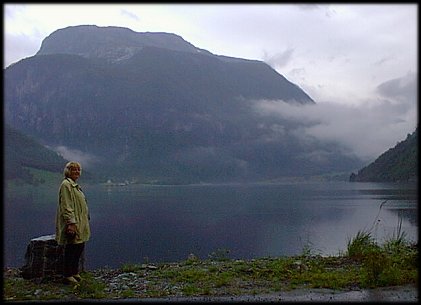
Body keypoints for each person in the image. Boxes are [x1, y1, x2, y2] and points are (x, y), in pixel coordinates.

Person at [55, 161, 91, 284]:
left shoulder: (75, 185)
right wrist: (71, 223)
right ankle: (67, 274)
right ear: (68, 171)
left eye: (78, 170)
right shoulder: (66, 185)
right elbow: (67, 205)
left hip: (80, 222)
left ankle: (75, 272)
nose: (76, 172)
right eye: (73, 169)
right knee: (71, 248)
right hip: (74, 223)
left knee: (79, 246)